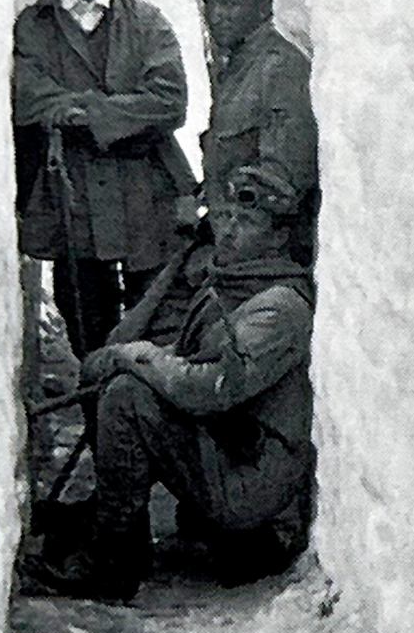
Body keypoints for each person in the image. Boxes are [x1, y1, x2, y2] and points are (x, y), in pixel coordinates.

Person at [75, 162, 315, 601]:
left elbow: (208, 389)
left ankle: (112, 565)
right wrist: (127, 356)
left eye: (247, 222)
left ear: (279, 237)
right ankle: (113, 530)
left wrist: (141, 357)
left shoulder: (279, 307)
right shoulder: (232, 285)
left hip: (260, 503)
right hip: (235, 462)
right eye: (226, 218)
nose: (229, 231)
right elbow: (186, 358)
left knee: (128, 397)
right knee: (118, 375)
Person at [13, 0, 195, 358]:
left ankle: (138, 401)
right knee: (85, 316)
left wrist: (85, 111)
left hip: (144, 193)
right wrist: (125, 112)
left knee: (151, 316)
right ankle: (95, 399)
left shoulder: (146, 21)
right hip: (73, 198)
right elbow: (31, 98)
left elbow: (170, 101)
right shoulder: (35, 26)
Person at [201, 0, 319, 262]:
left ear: (262, 7)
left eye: (229, 4)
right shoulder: (237, 65)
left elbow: (282, 180)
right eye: (209, 3)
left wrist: (228, 221)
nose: (216, 15)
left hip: (265, 253)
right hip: (232, 240)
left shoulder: (280, 68)